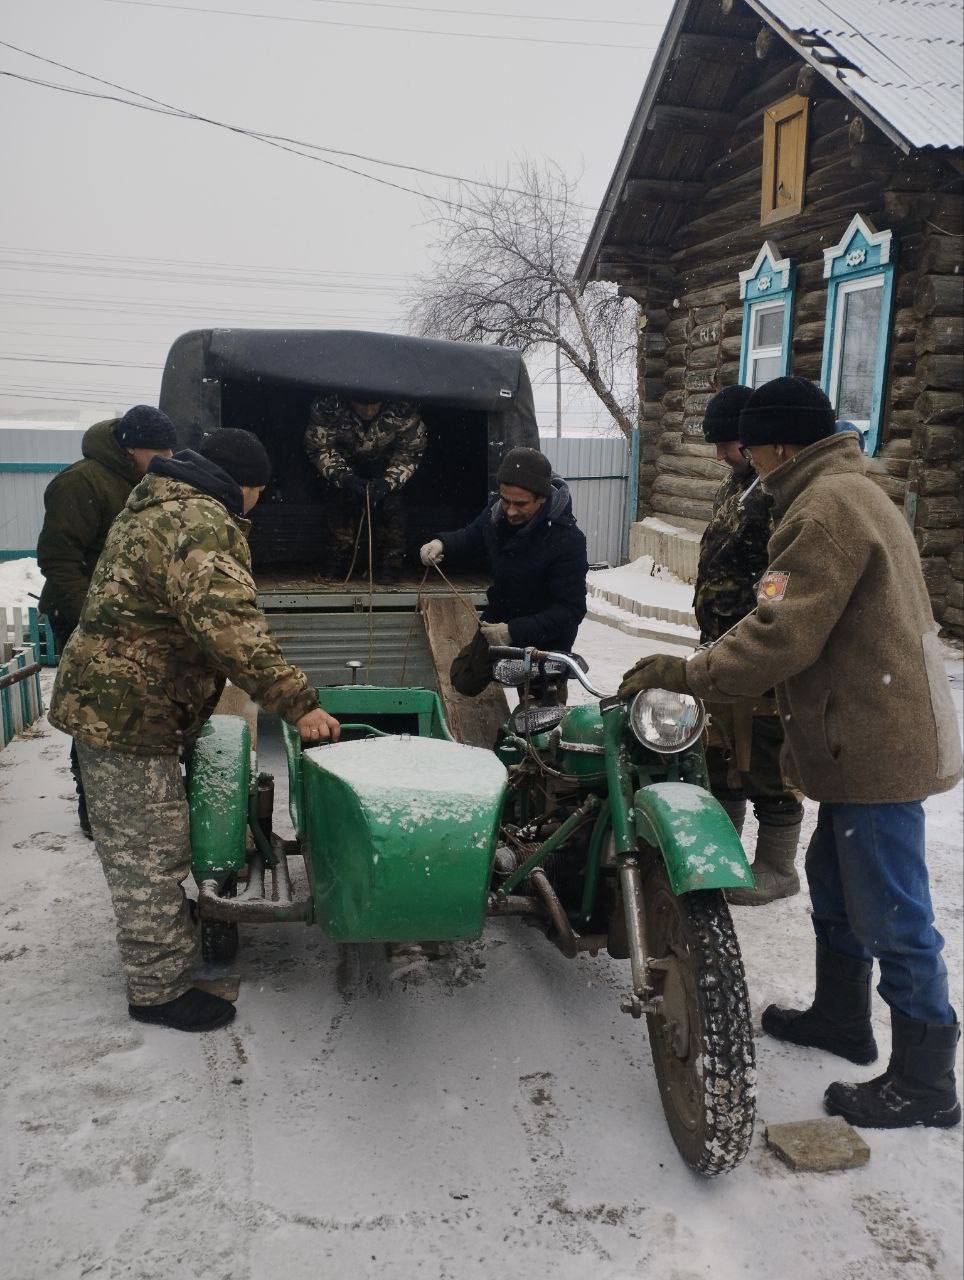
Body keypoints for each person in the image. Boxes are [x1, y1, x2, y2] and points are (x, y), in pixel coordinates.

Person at [618, 376, 962, 1130]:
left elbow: (780, 632)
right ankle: (843, 1020)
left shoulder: (824, 508)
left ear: (777, 444)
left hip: (874, 743)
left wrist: (689, 672)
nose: (752, 463)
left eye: (757, 446)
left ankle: (926, 1081)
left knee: (893, 910)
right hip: (856, 735)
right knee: (834, 881)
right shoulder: (845, 490)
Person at [49, 429, 340, 1034]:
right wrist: (299, 703)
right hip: (125, 711)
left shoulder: (161, 503)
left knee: (152, 840)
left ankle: (161, 936)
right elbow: (231, 629)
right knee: (147, 854)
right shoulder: (199, 522)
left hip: (127, 701)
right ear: (246, 485)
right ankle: (157, 991)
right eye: (260, 492)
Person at [37, 405, 178, 837]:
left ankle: (127, 798)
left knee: (128, 710)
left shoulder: (142, 482)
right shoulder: (80, 483)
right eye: (159, 452)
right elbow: (58, 560)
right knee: (93, 714)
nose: (168, 460)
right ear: (130, 447)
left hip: (125, 619)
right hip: (82, 616)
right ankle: (93, 807)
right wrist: (92, 617)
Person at [694, 385, 803, 905]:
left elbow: (781, 581)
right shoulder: (735, 486)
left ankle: (778, 867)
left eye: (728, 443)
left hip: (762, 652)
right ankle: (728, 853)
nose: (720, 454)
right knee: (720, 751)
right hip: (721, 645)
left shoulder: (780, 495)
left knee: (765, 755)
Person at [420, 447, 588, 700]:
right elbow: (472, 536)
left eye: (520, 504)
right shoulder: (496, 513)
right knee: (463, 679)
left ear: (541, 498)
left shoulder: (568, 541)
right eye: (505, 500)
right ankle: (504, 672)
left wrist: (513, 632)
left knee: (537, 721)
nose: (510, 511)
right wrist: (441, 544)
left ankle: (535, 704)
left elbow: (570, 611)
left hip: (544, 639)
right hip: (501, 616)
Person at [304, 393, 428, 581]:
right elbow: (319, 446)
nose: (368, 411)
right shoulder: (328, 406)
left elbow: (410, 451)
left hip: (386, 465)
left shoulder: (403, 409)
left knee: (393, 505)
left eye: (374, 405)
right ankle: (338, 560)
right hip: (344, 464)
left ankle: (391, 563)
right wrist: (343, 477)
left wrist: (389, 482)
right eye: (362, 405)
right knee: (338, 503)